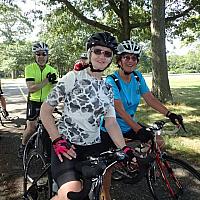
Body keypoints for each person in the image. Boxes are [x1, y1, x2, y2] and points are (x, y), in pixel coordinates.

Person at [40, 32, 143, 200]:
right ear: (89, 53)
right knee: (70, 195)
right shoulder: (73, 78)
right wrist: (57, 139)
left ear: (111, 59)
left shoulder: (107, 88)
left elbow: (111, 123)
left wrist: (124, 149)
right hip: (67, 147)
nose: (102, 56)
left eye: (107, 53)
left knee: (94, 192)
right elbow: (45, 110)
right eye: (97, 51)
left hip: (94, 148)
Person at [100, 40, 183, 199]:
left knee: (158, 142)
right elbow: (120, 110)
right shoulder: (111, 81)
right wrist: (138, 129)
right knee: (107, 168)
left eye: (134, 58)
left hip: (129, 123)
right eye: (126, 57)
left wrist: (170, 114)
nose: (130, 61)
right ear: (119, 60)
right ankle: (106, 194)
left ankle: (138, 164)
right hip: (111, 127)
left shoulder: (137, 77)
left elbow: (150, 99)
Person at [17, 42, 57, 158]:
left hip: (47, 102)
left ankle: (47, 151)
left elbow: (56, 89)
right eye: (38, 54)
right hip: (34, 101)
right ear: (35, 56)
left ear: (47, 55)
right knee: (31, 127)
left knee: (48, 127)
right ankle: (23, 145)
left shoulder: (52, 70)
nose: (41, 57)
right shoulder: (29, 68)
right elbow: (32, 88)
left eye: (44, 54)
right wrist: (46, 81)